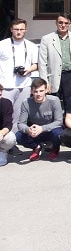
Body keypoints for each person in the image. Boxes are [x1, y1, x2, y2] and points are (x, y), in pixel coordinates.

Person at [0, 18, 38, 155]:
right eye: (16, 29)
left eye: (21, 29)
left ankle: (12, 144)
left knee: (17, 117)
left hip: (24, 86)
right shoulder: (2, 45)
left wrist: (28, 70)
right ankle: (3, 143)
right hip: (6, 86)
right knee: (5, 116)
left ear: (25, 30)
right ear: (11, 29)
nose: (19, 32)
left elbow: (36, 64)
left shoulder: (31, 46)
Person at [38, 12, 71, 108]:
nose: (63, 25)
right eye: (60, 22)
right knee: (53, 106)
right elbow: (42, 63)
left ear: (70, 24)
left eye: (66, 23)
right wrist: (45, 82)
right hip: (53, 78)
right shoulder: (46, 39)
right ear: (56, 23)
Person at [16, 77, 63, 161]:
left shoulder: (54, 100)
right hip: (34, 132)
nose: (38, 94)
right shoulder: (26, 103)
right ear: (31, 91)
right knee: (18, 136)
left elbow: (59, 121)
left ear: (46, 90)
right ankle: (36, 147)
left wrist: (42, 128)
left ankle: (55, 148)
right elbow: (20, 124)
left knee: (59, 133)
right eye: (35, 91)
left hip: (50, 130)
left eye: (41, 91)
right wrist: (28, 130)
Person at [0, 83, 17, 166]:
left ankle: (3, 152)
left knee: (11, 138)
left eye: (0, 94)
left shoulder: (6, 103)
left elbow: (8, 124)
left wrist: (1, 133)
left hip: (1, 132)